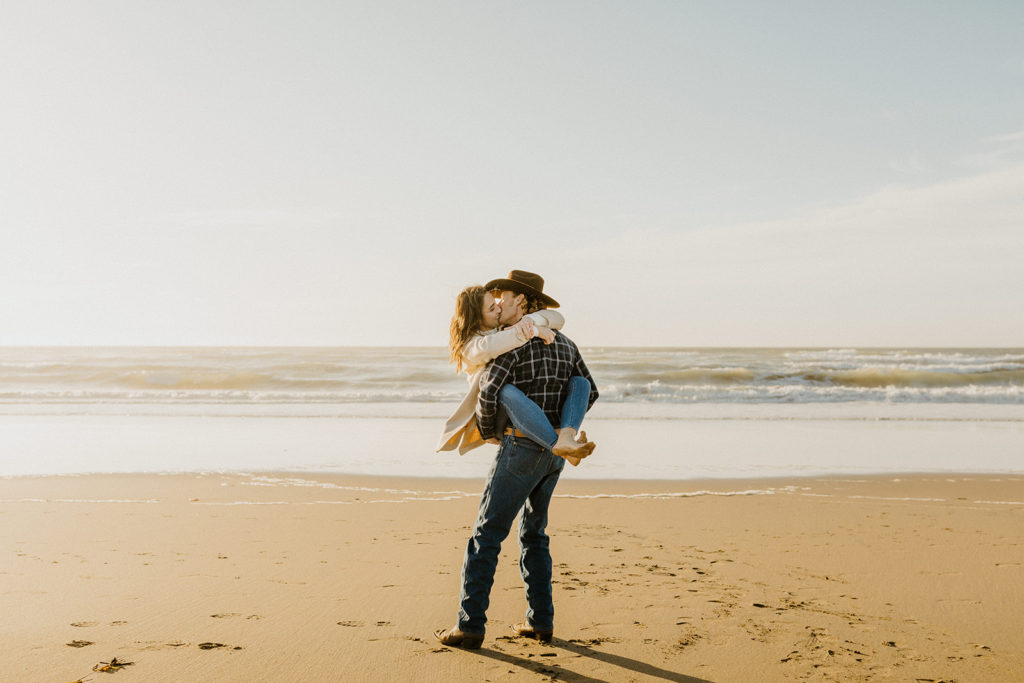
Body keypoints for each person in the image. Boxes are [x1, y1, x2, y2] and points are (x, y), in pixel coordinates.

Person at [434, 274, 599, 649]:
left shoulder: (508, 347)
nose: (497, 301)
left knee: (486, 535)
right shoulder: (566, 343)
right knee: (534, 535)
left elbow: (491, 393)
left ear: (520, 301)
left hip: (521, 449)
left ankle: (470, 625)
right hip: (556, 454)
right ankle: (541, 622)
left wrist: (493, 434)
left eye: (502, 296)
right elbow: (588, 386)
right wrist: (564, 431)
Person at [437, 271, 595, 464]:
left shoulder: (498, 327)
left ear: (519, 300)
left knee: (581, 383)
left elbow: (557, 318)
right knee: (507, 391)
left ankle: (566, 440)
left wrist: (529, 322)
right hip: (494, 410)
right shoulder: (472, 345)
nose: (498, 308)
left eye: (499, 301)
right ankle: (560, 447)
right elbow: (494, 347)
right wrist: (534, 331)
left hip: (521, 414)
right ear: (478, 316)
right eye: (492, 307)